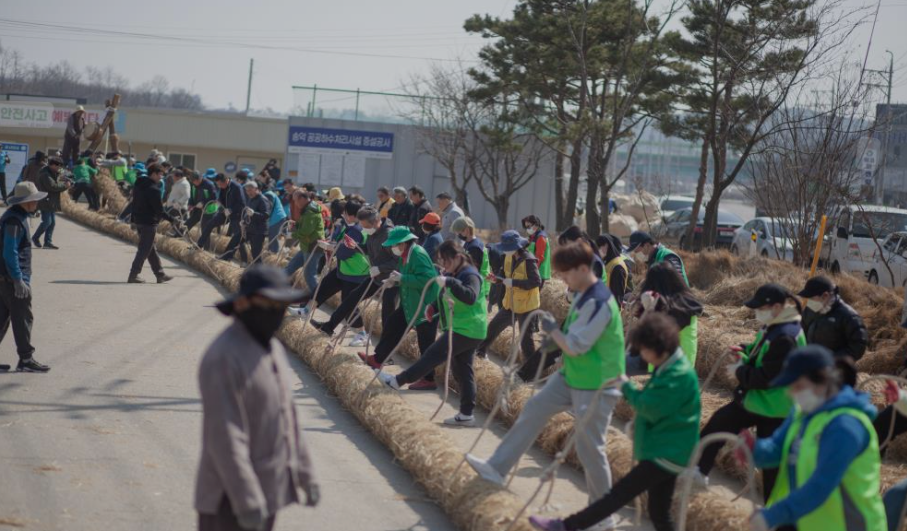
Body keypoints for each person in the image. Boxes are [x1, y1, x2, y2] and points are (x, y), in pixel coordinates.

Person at [467, 241, 625, 531]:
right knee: (535, 407)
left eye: (565, 273)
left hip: (598, 384)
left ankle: (604, 517)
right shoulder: (583, 293)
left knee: (592, 450)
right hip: (573, 376)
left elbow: (575, 346)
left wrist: (552, 331)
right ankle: (496, 468)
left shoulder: (599, 302)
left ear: (581, 269)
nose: (562, 279)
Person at [528, 313, 700, 531]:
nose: (643, 356)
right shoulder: (672, 366)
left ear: (659, 347)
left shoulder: (677, 376)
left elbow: (649, 406)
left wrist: (625, 386)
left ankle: (566, 526)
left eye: (644, 350)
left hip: (666, 452)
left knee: (618, 495)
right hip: (672, 449)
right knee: (659, 513)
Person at [196, 266, 318, 531]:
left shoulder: (272, 348)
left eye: (282, 305)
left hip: (269, 488)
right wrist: (246, 499)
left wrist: (305, 472)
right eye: (269, 304)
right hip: (229, 496)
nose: (276, 312)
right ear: (242, 304)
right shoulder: (223, 357)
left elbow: (289, 415)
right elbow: (225, 436)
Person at [744, 345, 886, 531]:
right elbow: (778, 448)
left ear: (823, 382)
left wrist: (772, 516)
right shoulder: (802, 412)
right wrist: (754, 450)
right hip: (806, 520)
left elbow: (821, 486)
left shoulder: (845, 426)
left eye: (799, 386)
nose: (791, 393)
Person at [697, 283, 806, 500]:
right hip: (757, 401)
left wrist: (740, 371)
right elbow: (764, 352)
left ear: (776, 307)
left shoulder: (786, 336)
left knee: (772, 467)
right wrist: (746, 349)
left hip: (775, 407)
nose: (757, 313)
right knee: (717, 425)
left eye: (760, 308)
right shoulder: (776, 325)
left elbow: (768, 378)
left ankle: (773, 514)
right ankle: (697, 473)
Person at [377, 240, 488, 426]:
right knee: (462, 371)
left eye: (446, 261)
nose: (444, 266)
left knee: (432, 355)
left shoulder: (470, 275)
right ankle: (467, 414)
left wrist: (450, 281)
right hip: (465, 328)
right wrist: (433, 306)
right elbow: (447, 294)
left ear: (458, 257)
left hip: (467, 329)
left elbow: (470, 297)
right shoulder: (456, 272)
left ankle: (397, 381)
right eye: (441, 262)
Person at [361, 227, 440, 391]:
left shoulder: (418, 254)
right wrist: (395, 281)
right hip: (410, 303)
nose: (392, 248)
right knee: (392, 324)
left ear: (404, 243)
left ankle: (429, 379)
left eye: (394, 244)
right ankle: (378, 358)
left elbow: (428, 279)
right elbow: (406, 276)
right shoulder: (405, 255)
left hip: (425, 306)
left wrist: (402, 278)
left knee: (425, 343)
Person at [312, 207, 398, 338]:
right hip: (376, 277)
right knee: (351, 299)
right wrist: (356, 246)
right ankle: (328, 327)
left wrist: (380, 268)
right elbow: (369, 250)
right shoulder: (373, 232)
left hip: (392, 280)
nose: (364, 229)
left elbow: (398, 261)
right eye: (362, 226)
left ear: (376, 222)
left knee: (387, 315)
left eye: (366, 226)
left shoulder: (389, 235)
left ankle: (385, 351)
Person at [291, 202, 370, 344]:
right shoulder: (348, 227)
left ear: (351, 216)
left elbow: (345, 253)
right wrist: (330, 242)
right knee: (323, 287)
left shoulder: (357, 231)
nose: (343, 215)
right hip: (343, 269)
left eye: (345, 213)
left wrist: (330, 247)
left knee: (349, 304)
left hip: (355, 274)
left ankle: (362, 334)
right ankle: (306, 310)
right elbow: (338, 243)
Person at [0, 182, 50, 372]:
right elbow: (9, 252)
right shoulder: (14, 221)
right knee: (23, 318)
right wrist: (18, 279)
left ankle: (26, 359)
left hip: (4, 278)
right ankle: (26, 359)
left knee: (1, 319)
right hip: (13, 280)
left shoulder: (15, 216)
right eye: (34, 200)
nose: (36, 203)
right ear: (25, 202)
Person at [475, 230, 541, 363]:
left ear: (516, 247)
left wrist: (514, 283)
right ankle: (479, 353)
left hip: (527, 305)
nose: (504, 251)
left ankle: (531, 370)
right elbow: (504, 274)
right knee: (493, 327)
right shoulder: (507, 257)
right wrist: (496, 279)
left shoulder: (529, 260)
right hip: (511, 303)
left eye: (506, 248)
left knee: (526, 339)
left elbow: (536, 281)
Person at [627, 263, 703, 372]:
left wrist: (647, 309)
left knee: (622, 365)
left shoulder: (680, 308)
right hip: (667, 361)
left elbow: (654, 334)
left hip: (675, 365)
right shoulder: (680, 301)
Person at [798, 275, 868, 361]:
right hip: (811, 365)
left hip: (835, 369)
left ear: (825, 296)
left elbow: (858, 346)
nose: (809, 302)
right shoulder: (810, 310)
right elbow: (802, 332)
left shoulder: (849, 316)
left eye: (811, 298)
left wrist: (831, 359)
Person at [128, 164, 174, 284]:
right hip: (149, 222)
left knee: (150, 248)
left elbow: (134, 203)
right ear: (153, 173)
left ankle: (160, 274)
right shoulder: (154, 189)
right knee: (144, 249)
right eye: (160, 174)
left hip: (139, 221)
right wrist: (172, 219)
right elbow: (159, 210)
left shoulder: (138, 185)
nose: (161, 177)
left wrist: (133, 220)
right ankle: (134, 274)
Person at [284, 191, 325, 298]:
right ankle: (275, 290)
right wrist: (295, 224)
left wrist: (292, 235)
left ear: (302, 199)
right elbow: (303, 226)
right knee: (289, 268)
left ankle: (318, 297)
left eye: (296, 201)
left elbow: (306, 231)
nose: (295, 204)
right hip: (306, 246)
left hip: (313, 246)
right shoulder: (307, 209)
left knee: (309, 275)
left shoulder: (310, 212)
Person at [199, 174, 246, 261]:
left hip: (236, 215)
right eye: (218, 185)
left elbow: (242, 204)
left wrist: (231, 210)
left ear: (226, 181)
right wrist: (220, 205)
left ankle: (244, 260)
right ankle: (199, 245)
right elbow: (221, 198)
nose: (219, 186)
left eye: (220, 184)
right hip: (224, 212)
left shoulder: (237, 187)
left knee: (237, 237)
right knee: (210, 224)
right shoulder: (222, 187)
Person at [33, 157, 71, 250]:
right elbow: (53, 186)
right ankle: (35, 237)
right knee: (47, 222)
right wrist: (65, 186)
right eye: (58, 166)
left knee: (52, 223)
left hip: (51, 201)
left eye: (60, 166)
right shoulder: (45, 174)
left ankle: (47, 242)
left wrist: (69, 176)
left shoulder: (53, 170)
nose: (59, 168)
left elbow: (67, 173)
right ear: (52, 165)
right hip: (45, 200)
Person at [241, 182, 272, 264]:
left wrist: (254, 214)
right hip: (251, 228)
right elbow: (247, 212)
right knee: (240, 243)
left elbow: (266, 215)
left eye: (250, 190)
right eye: (247, 191)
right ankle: (245, 262)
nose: (248, 192)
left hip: (259, 230)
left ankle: (259, 272)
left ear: (256, 189)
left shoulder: (262, 199)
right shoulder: (251, 198)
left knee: (256, 253)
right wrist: (243, 221)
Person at [596, 233, 630, 303]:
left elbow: (617, 296)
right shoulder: (608, 263)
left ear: (609, 246)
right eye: (598, 246)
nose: (599, 249)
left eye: (602, 245)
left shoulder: (617, 266)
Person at [523, 215, 551, 288]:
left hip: (537, 273)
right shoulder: (533, 236)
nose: (527, 229)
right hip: (533, 271)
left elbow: (539, 257)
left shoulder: (541, 237)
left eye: (528, 227)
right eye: (525, 227)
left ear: (535, 225)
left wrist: (532, 272)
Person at [263, 187, 288, 254]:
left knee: (273, 237)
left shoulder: (268, 194)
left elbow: (268, 207)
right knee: (273, 236)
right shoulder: (271, 194)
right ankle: (271, 252)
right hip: (280, 216)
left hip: (276, 218)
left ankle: (273, 254)